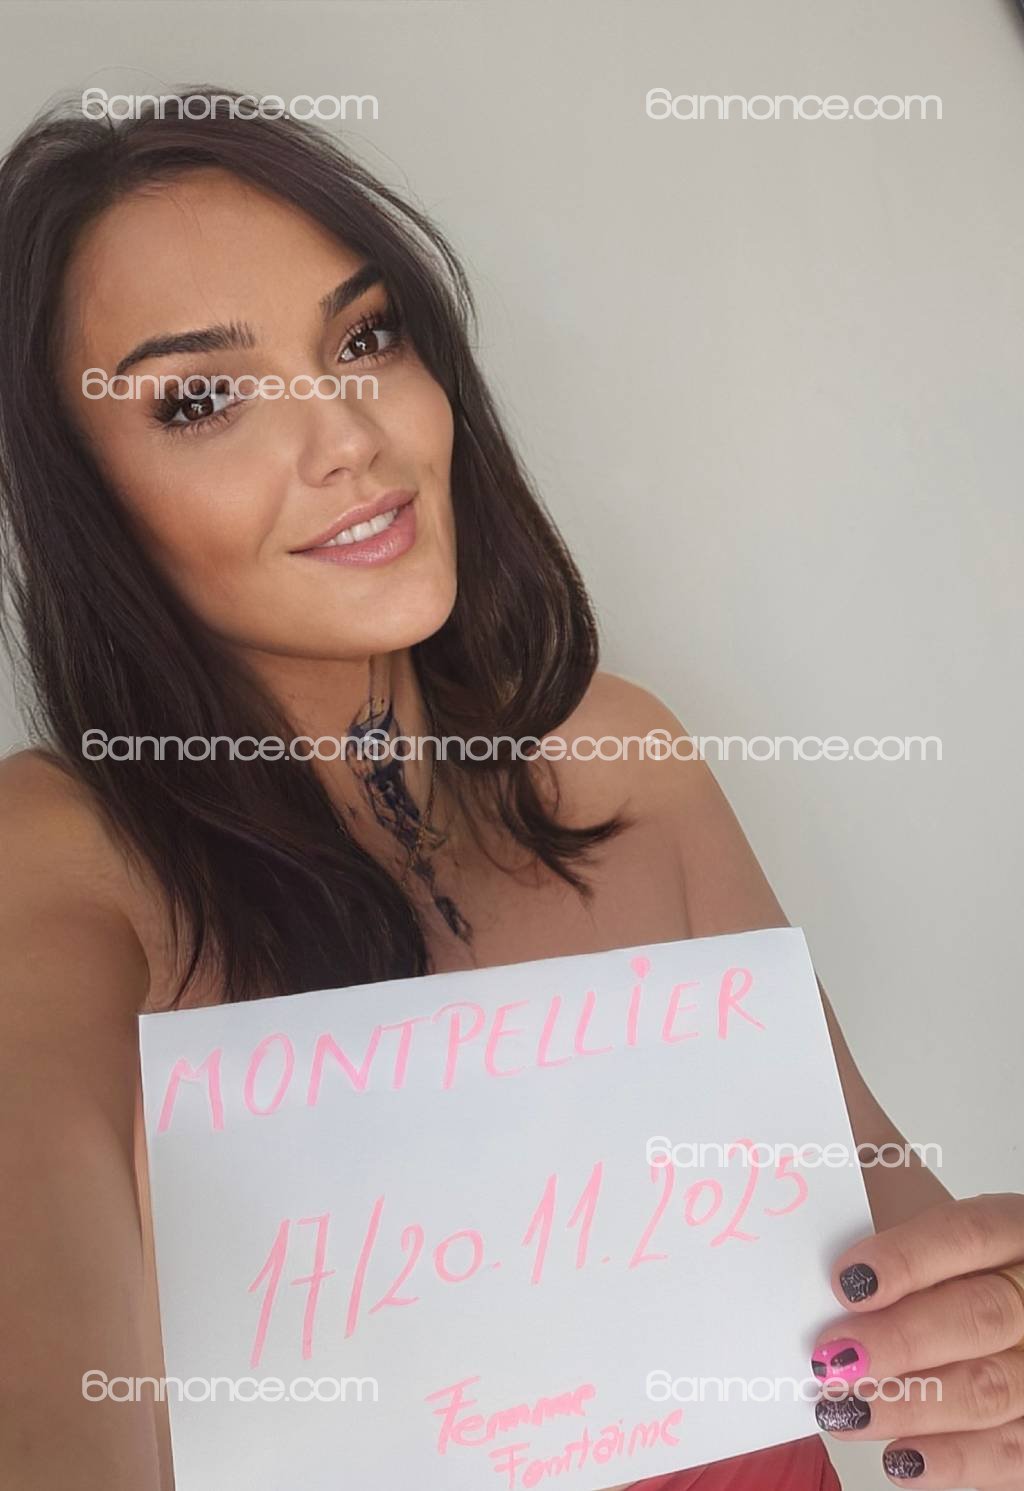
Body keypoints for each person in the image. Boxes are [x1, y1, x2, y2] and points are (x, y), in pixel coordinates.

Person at [0, 88, 1021, 1491]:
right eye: (204, 399)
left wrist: (990, 1354)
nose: (348, 435)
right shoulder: (58, 860)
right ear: (85, 497)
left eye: (364, 337)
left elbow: (902, 1278)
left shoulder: (621, 759)